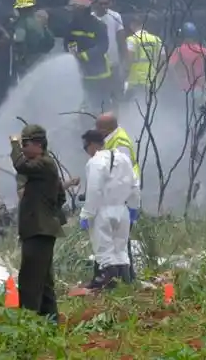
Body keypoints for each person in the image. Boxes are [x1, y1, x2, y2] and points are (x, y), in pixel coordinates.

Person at [11, 124, 65, 320]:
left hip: (39, 230)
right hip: (41, 229)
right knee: (43, 280)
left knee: (30, 280)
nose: (23, 149)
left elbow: (20, 165)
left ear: (37, 144)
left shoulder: (44, 164)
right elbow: (61, 196)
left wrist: (14, 144)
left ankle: (28, 322)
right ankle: (49, 320)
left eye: (25, 144)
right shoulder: (45, 166)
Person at [79, 129, 140, 289]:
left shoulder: (95, 162)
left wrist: (87, 214)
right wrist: (134, 206)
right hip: (123, 210)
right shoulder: (124, 158)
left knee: (104, 249)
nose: (86, 151)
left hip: (102, 211)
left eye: (85, 147)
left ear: (92, 145)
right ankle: (125, 281)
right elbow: (135, 184)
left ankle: (106, 282)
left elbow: (94, 190)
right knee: (120, 249)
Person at [95, 112, 141, 279]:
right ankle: (122, 277)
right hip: (119, 198)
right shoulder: (112, 139)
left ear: (107, 128)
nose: (97, 130)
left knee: (119, 241)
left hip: (124, 198)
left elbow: (122, 174)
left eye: (99, 127)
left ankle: (124, 278)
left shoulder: (120, 143)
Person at [60, 0, 111, 112]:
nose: (73, 12)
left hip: (99, 75)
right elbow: (67, 43)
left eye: (76, 10)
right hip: (80, 74)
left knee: (102, 106)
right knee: (83, 106)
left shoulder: (99, 26)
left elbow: (103, 46)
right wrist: (73, 54)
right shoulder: (71, 26)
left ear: (84, 10)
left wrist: (84, 55)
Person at [168, 22, 206, 108]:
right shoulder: (203, 50)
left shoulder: (178, 50)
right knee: (200, 115)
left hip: (184, 89)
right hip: (200, 89)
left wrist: (176, 81)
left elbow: (170, 67)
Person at [93, 0, 127, 99]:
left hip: (113, 63)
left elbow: (121, 39)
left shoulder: (115, 16)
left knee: (116, 93)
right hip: (97, 64)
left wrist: (124, 62)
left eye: (106, 3)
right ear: (95, 3)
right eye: (101, 3)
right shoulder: (90, 18)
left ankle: (116, 115)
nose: (103, 6)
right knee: (99, 94)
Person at [11, 0, 54, 79]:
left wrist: (19, 57)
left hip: (28, 61)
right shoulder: (39, 22)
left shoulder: (21, 23)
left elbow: (19, 40)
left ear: (20, 9)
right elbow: (51, 41)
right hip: (43, 60)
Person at [124, 17, 165, 101]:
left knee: (136, 105)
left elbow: (129, 59)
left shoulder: (132, 40)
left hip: (136, 80)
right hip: (152, 79)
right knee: (151, 103)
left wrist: (125, 72)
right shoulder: (157, 39)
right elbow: (163, 59)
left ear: (132, 25)